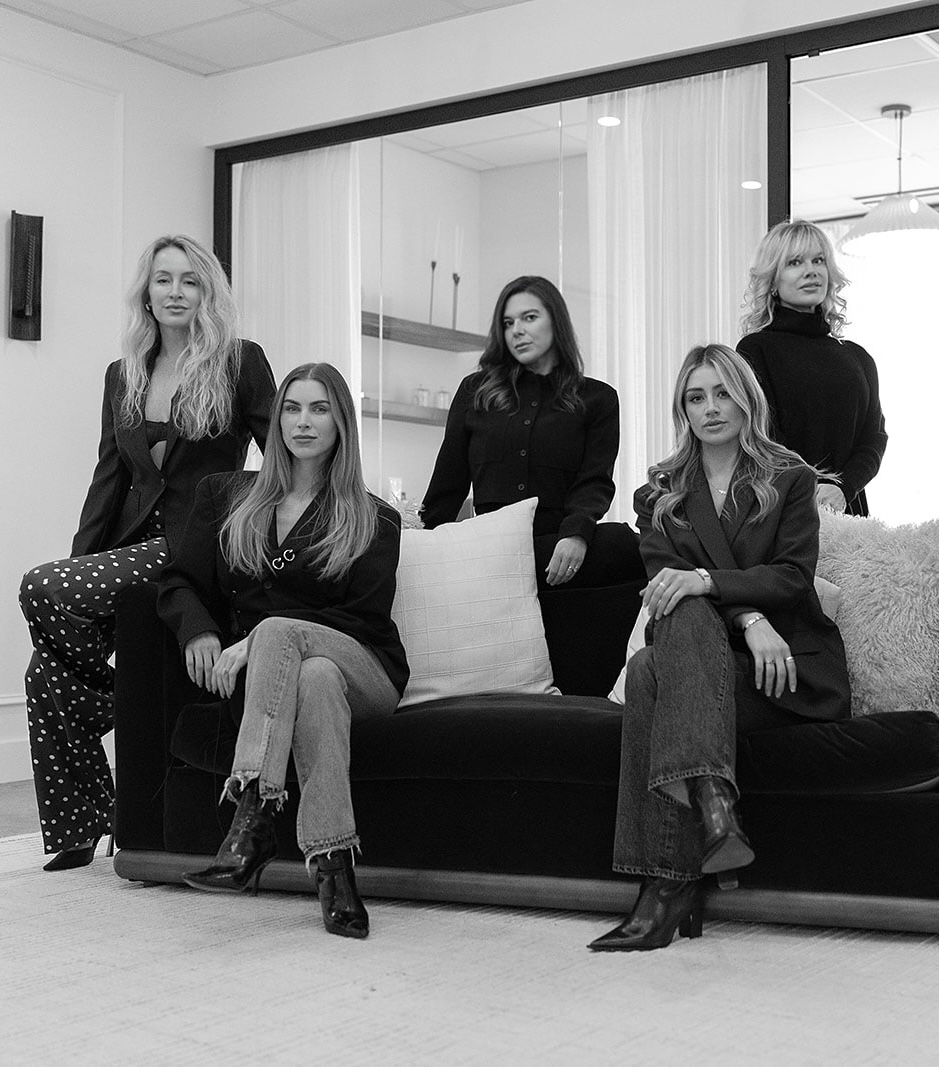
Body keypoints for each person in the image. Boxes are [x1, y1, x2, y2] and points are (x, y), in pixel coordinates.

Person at [19, 234, 276, 871]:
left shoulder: (240, 362)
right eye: (163, 280)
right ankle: (85, 827)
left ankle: (123, 700)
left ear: (208, 292)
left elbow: (279, 458)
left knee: (37, 584)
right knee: (43, 672)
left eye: (189, 281)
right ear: (147, 292)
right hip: (130, 546)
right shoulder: (123, 373)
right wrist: (83, 564)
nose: (175, 292)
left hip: (194, 548)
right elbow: (110, 478)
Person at [588, 344, 850, 953]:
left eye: (722, 393)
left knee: (652, 668)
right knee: (672, 622)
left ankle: (666, 886)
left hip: (782, 668)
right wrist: (744, 610)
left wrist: (728, 596)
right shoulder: (660, 492)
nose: (710, 408)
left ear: (745, 397)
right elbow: (664, 583)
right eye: (695, 397)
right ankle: (712, 809)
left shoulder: (789, 478)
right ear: (683, 409)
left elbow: (792, 575)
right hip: (705, 660)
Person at [158, 363, 408, 940]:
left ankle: (254, 819)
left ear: (341, 422)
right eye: (292, 408)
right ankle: (334, 872)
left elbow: (363, 617)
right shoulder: (227, 497)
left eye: (320, 408)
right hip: (300, 678)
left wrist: (254, 640)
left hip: (367, 668)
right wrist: (199, 630)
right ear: (275, 421)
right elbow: (178, 581)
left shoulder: (374, 517)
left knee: (285, 637)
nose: (303, 421)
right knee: (315, 679)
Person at [420, 275, 642, 587]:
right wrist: (421, 546)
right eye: (508, 323)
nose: (517, 331)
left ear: (556, 321)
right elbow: (448, 481)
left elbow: (594, 481)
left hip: (558, 549)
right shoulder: (476, 392)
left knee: (623, 543)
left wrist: (577, 534)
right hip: (489, 552)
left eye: (530, 317)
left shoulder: (598, 399)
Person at [737, 219, 887, 517]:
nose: (811, 270)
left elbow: (874, 438)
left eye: (819, 260)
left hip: (848, 508)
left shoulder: (858, 357)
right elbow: (761, 440)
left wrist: (843, 488)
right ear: (773, 280)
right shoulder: (754, 350)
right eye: (795, 262)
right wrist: (810, 489)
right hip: (783, 510)